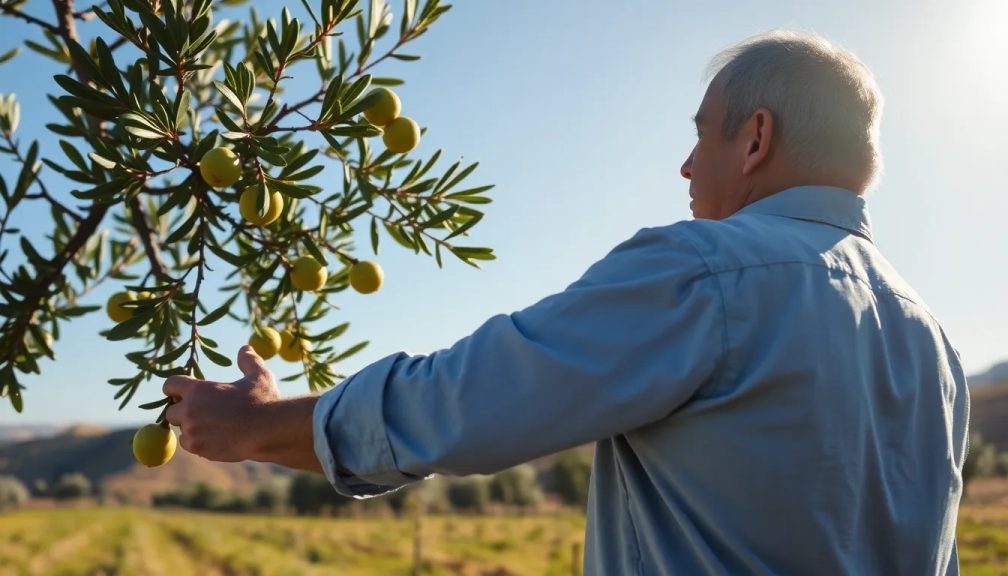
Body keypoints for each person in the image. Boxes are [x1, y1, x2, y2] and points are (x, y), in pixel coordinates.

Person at [163, 30, 969, 575]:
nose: (687, 167)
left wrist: (258, 426)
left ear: (755, 139)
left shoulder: (707, 272)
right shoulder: (930, 342)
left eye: (702, 134)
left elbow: (469, 399)